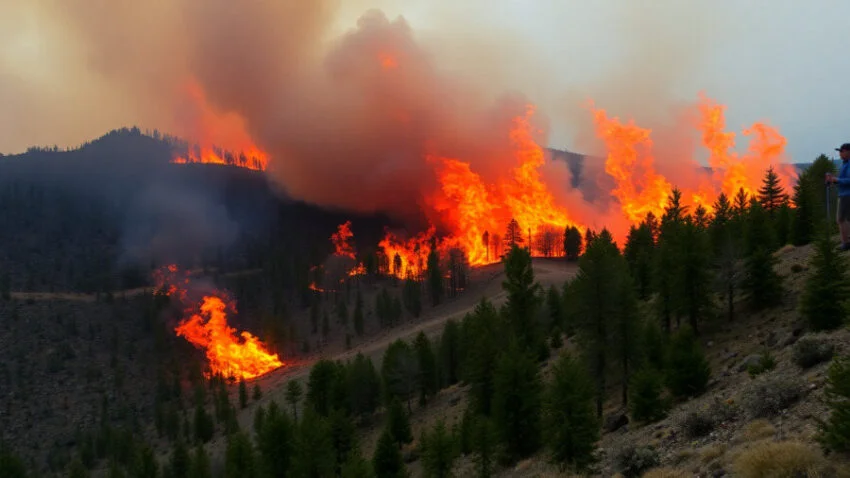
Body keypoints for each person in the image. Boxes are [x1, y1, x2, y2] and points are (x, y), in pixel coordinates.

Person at [827, 143, 850, 250]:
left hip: (846, 195)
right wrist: (834, 181)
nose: (840, 153)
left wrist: (837, 180)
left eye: (842, 151)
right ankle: (847, 241)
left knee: (841, 219)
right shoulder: (844, 164)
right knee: (843, 219)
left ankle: (846, 243)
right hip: (843, 194)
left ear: (848, 152)